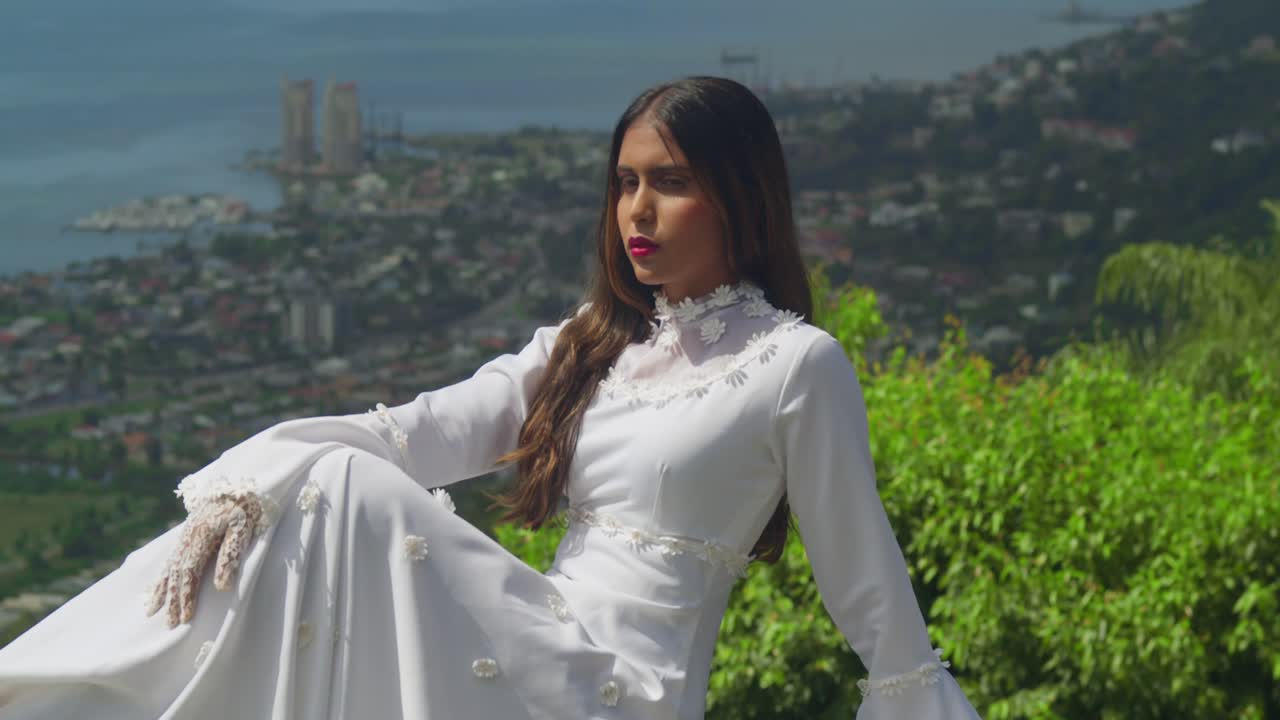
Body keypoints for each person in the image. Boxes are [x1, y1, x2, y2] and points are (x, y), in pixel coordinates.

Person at [0, 76, 981, 719]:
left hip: (621, 694)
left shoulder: (795, 364)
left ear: (739, 193)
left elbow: (867, 591)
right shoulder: (588, 345)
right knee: (312, 490)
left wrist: (914, 699)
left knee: (335, 490)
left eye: (670, 182)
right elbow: (409, 434)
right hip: (536, 644)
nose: (635, 211)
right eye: (624, 182)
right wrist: (241, 483)